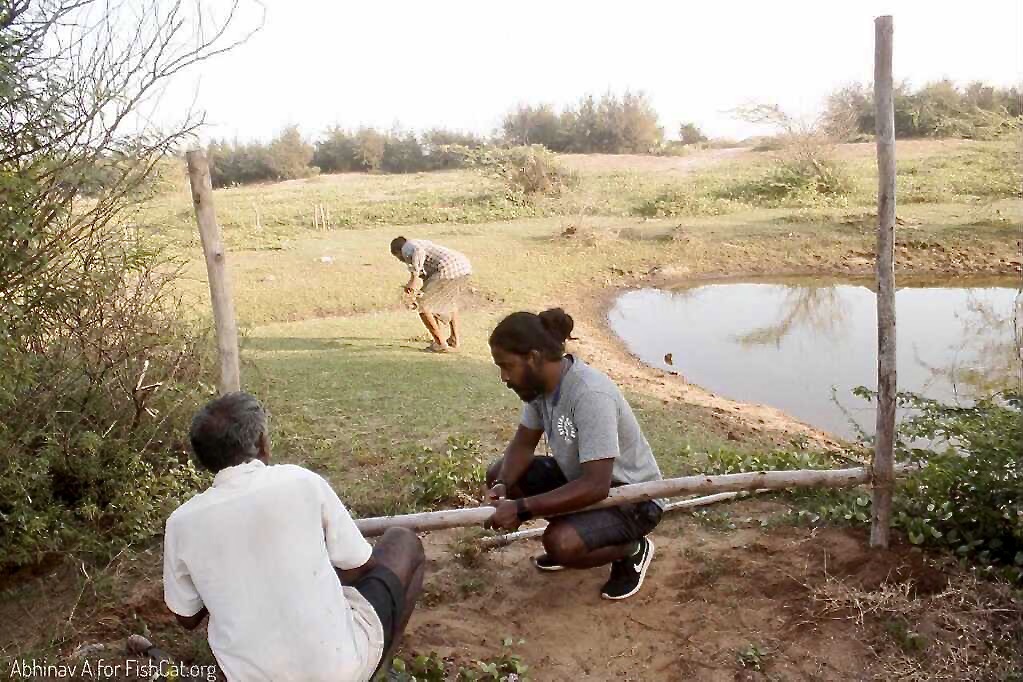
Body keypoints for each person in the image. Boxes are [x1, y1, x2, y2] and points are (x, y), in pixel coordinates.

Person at [163, 392, 425, 681]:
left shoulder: (182, 523)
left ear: (202, 459)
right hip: (340, 670)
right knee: (404, 542)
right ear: (262, 443)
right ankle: (377, 668)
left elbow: (186, 618)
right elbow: (358, 566)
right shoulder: (300, 481)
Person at [484, 308, 665, 601]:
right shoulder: (538, 387)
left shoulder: (590, 394)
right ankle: (585, 533)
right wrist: (502, 486)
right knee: (499, 472)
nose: (504, 377)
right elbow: (523, 444)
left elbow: (597, 485)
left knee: (561, 543)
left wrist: (521, 508)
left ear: (533, 357)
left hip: (632, 500)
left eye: (507, 366)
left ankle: (633, 550)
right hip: (584, 482)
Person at [390, 236, 472, 353]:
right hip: (463, 267)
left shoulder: (408, 246)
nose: (400, 260)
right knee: (448, 302)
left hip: (448, 268)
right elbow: (428, 278)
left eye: (398, 257)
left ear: (398, 251)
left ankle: (440, 344)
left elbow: (419, 251)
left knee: (422, 305)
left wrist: (413, 279)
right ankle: (454, 339)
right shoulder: (423, 245)